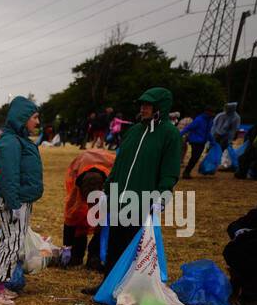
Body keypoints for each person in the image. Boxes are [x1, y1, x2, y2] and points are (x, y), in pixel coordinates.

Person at [92, 88, 182, 282]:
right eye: (142, 104)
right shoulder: (134, 131)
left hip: (142, 200)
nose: (143, 108)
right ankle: (108, 284)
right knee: (114, 244)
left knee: (134, 247)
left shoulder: (170, 135)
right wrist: (108, 189)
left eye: (148, 104)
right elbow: (120, 162)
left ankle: (129, 289)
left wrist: (161, 195)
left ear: (160, 107)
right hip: (119, 198)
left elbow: (170, 171)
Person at [0, 97, 43, 305]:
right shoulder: (11, 143)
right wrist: (14, 204)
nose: (37, 122)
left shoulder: (16, 140)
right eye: (35, 117)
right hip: (14, 202)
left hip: (19, 199)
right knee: (11, 245)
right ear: (23, 118)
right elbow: (8, 177)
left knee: (10, 243)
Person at [61, 149, 114, 270]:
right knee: (78, 214)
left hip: (106, 177)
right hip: (82, 168)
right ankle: (76, 255)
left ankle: (94, 257)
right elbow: (70, 220)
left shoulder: (113, 184)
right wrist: (67, 247)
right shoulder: (75, 192)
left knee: (105, 222)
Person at [180, 107, 214, 179]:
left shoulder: (210, 121)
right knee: (194, 157)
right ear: (206, 111)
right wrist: (179, 134)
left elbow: (208, 132)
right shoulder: (199, 120)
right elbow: (188, 127)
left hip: (202, 142)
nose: (211, 113)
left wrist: (212, 141)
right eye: (210, 112)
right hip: (195, 141)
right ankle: (186, 173)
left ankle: (187, 172)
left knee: (196, 158)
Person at [210, 101, 241, 167]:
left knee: (223, 149)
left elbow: (235, 129)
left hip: (226, 137)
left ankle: (221, 162)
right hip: (216, 134)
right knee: (213, 148)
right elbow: (214, 125)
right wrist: (213, 134)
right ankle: (213, 161)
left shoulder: (236, 117)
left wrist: (232, 136)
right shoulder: (221, 115)